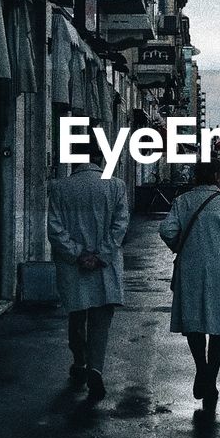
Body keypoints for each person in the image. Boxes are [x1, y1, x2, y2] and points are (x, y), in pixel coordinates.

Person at [159, 161, 220, 413]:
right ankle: (211, 377)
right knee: (219, 325)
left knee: (194, 321)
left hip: (191, 268)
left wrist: (181, 246)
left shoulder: (183, 201)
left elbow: (166, 230)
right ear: (215, 176)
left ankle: (201, 368)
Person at [47, 143, 130, 403]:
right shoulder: (116, 186)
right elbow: (120, 225)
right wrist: (102, 254)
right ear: (100, 159)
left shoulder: (60, 188)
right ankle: (95, 367)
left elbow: (55, 228)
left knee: (77, 313)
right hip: (104, 267)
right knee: (101, 319)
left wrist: (78, 253)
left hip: (74, 266)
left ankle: (79, 361)